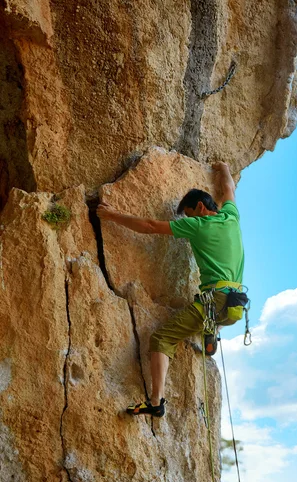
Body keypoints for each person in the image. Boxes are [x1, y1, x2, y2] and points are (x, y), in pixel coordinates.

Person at [97, 161, 245, 418]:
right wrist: (223, 169)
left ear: (200, 208)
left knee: (161, 339)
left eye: (189, 214)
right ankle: (212, 330)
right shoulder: (231, 217)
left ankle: (156, 402)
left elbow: (151, 227)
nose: (187, 220)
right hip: (236, 304)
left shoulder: (198, 225)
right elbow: (228, 189)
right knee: (205, 311)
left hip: (215, 300)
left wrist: (112, 215)